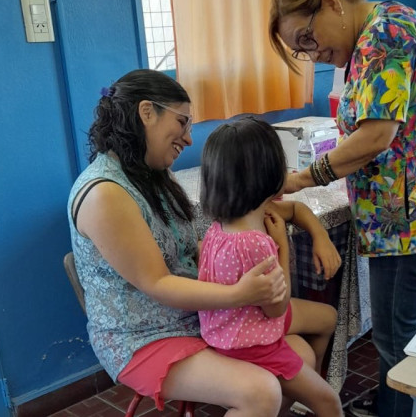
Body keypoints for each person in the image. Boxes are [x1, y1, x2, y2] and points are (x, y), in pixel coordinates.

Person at [68, 69, 310, 416]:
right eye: (182, 123)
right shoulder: (105, 194)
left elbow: (198, 239)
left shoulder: (152, 172)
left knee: (300, 354)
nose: (189, 138)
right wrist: (240, 294)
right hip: (142, 338)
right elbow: (158, 282)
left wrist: (293, 223)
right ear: (147, 112)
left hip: (195, 315)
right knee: (261, 391)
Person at [268, 0, 416, 416]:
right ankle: (395, 403)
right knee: (395, 333)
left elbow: (376, 135)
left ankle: (402, 410)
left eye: (307, 38)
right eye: (300, 50)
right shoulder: (375, 33)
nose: (312, 52)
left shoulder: (386, 34)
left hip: (410, 215)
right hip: (403, 211)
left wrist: (304, 178)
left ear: (334, 4)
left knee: (395, 337)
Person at [198, 117, 343, 416]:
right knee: (329, 402)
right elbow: (277, 307)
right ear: (269, 174)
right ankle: (303, 393)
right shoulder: (257, 243)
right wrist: (282, 246)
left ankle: (299, 392)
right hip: (256, 346)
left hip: (224, 334)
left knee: (323, 323)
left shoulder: (216, 229)